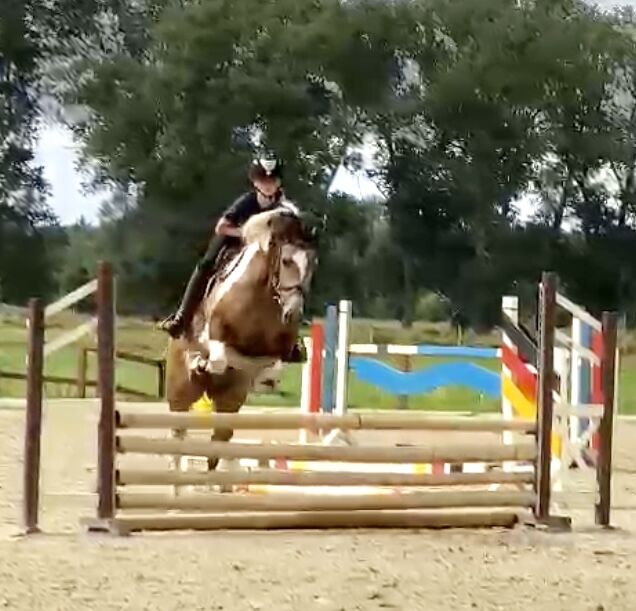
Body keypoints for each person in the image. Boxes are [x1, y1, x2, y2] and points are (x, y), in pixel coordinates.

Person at [158, 154, 301, 351]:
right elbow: (221, 227)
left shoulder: (285, 207)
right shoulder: (247, 201)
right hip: (234, 241)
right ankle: (182, 316)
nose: (268, 185)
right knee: (206, 264)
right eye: (263, 180)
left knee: (293, 275)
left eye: (272, 180)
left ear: (279, 182)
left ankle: (291, 336)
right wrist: (246, 233)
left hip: (267, 250)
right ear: (255, 182)